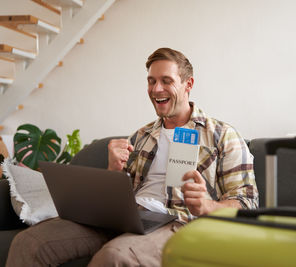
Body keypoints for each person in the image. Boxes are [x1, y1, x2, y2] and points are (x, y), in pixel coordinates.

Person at [6, 48, 259, 267]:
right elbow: (116, 196)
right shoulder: (141, 136)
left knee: (116, 257)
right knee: (30, 242)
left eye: (166, 81)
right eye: (151, 81)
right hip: (126, 218)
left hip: (178, 221)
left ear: (188, 85)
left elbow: (248, 205)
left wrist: (207, 205)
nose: (156, 89)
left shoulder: (222, 135)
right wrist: (112, 171)